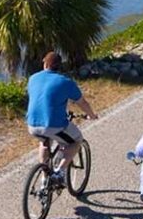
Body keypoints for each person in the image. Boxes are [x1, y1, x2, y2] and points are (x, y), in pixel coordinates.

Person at [26, 51, 98, 186]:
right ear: (59, 66)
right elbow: (82, 103)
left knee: (44, 142)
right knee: (76, 140)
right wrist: (92, 115)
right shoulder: (65, 82)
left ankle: (44, 176)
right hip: (53, 125)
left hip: (32, 125)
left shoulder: (33, 78)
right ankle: (60, 172)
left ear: (45, 63)